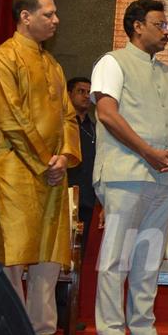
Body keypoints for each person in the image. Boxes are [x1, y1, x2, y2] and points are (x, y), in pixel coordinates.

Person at [0, 0, 80, 335]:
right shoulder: (3, 59)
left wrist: (65, 156)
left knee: (49, 252)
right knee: (16, 250)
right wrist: (44, 161)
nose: (56, 21)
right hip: (17, 166)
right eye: (48, 14)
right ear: (25, 17)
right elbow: (10, 118)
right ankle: (15, 331)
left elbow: (68, 116)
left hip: (54, 169)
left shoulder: (52, 64)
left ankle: (42, 331)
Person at [91, 0, 168, 335]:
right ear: (137, 26)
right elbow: (107, 114)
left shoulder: (167, 72)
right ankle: (110, 333)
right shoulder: (111, 62)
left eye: (166, 25)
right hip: (124, 174)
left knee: (148, 258)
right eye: (160, 24)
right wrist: (148, 151)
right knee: (116, 257)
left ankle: (142, 330)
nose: (166, 31)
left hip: (162, 178)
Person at [66, 76, 99, 254]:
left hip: (87, 197)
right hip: (64, 194)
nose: (86, 96)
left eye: (89, 92)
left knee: (80, 252)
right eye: (81, 91)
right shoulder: (61, 124)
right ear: (68, 94)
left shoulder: (95, 128)